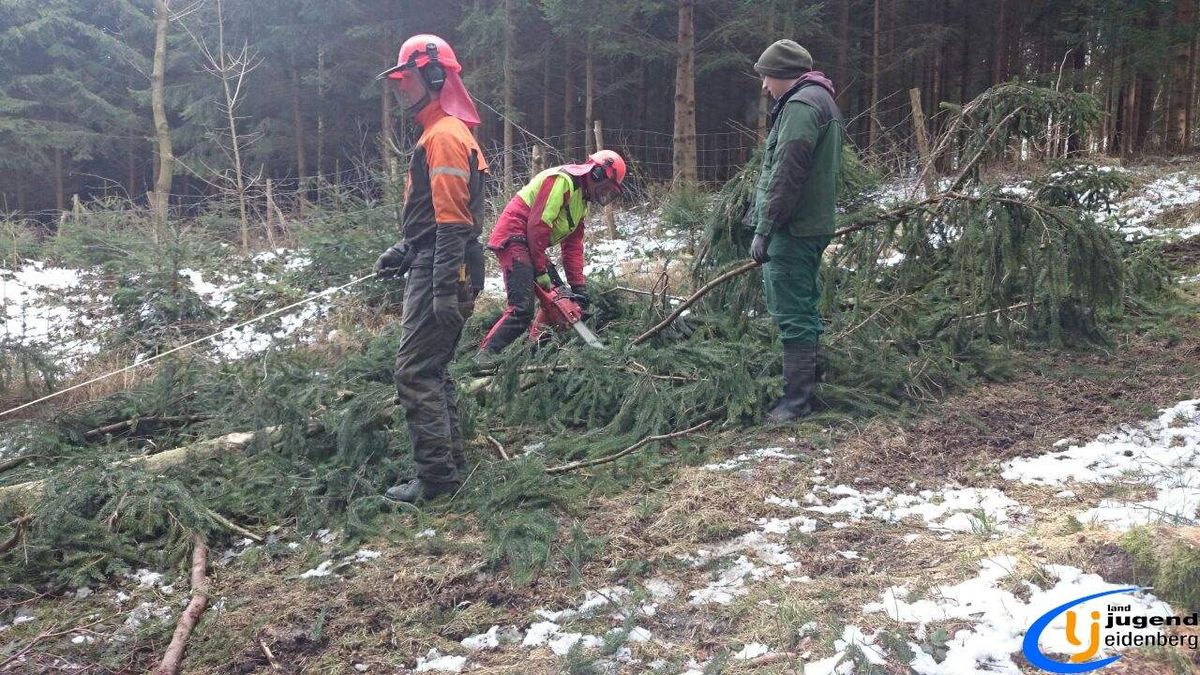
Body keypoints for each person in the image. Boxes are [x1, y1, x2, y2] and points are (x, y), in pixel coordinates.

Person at [374, 34, 488, 503]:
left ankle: (437, 480)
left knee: (415, 372)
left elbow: (454, 222)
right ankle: (449, 464)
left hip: (445, 265)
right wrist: (406, 249)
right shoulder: (440, 132)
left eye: (407, 77)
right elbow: (437, 217)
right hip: (438, 259)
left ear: (434, 75)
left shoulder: (444, 136)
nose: (401, 87)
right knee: (432, 367)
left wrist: (441, 287)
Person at [749, 39, 843, 423]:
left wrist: (765, 228)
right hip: (810, 223)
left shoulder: (801, 107)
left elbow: (787, 174)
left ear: (784, 74)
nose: (764, 86)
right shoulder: (821, 100)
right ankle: (808, 384)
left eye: (767, 77)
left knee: (792, 312)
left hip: (794, 228)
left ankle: (795, 402)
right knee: (803, 305)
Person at [474, 150, 626, 362]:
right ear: (597, 173)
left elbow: (573, 246)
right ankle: (483, 358)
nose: (604, 194)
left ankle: (533, 350)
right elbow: (539, 224)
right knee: (521, 309)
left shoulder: (581, 203)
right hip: (514, 237)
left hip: (531, 243)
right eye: (606, 188)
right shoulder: (562, 181)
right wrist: (540, 269)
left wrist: (578, 287)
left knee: (561, 301)